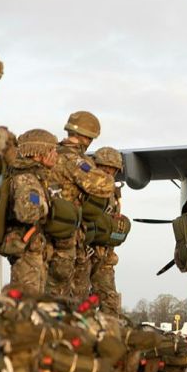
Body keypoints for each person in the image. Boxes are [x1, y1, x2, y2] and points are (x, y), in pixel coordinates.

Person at [48, 111, 114, 299]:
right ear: (87, 137)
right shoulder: (74, 160)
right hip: (66, 234)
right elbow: (103, 186)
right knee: (64, 293)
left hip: (40, 231)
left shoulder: (49, 153)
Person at [1, 130, 58, 294]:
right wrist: (46, 208)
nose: (55, 155)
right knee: (26, 303)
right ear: (39, 154)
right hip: (26, 249)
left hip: (33, 249)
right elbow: (26, 213)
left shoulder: (36, 176)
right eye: (52, 151)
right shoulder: (27, 178)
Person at [89, 147, 126, 314]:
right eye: (104, 168)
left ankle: (109, 336)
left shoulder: (113, 192)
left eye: (111, 169)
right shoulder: (85, 184)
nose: (108, 172)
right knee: (78, 296)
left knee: (109, 298)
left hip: (105, 253)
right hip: (84, 251)